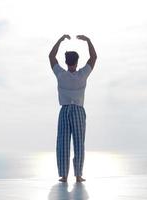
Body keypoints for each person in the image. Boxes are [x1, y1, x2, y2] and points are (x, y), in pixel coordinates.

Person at [49, 34, 97, 182]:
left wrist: (60, 40)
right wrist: (88, 41)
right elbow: (93, 58)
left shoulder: (61, 74)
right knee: (79, 142)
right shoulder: (82, 74)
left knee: (63, 142)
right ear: (77, 62)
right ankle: (78, 175)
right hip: (78, 110)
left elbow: (51, 56)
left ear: (66, 61)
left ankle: (64, 176)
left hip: (64, 110)